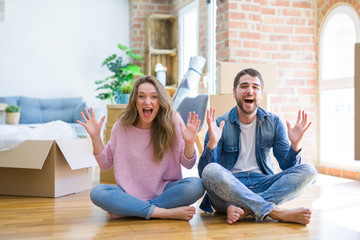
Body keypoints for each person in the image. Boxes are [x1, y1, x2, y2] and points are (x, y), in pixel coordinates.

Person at [198, 68, 317, 225]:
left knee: (309, 171)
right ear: (234, 92)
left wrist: (295, 146)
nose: (250, 90)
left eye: (255, 87)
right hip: (229, 189)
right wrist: (211, 145)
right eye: (244, 86)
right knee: (210, 171)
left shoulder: (273, 122)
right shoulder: (220, 124)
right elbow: (204, 174)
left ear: (261, 94)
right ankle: (276, 212)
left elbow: (286, 166)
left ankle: (246, 209)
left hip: (263, 184)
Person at [78, 75, 205, 221]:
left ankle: (131, 210)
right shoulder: (122, 125)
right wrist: (95, 137)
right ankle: (162, 213)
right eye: (141, 96)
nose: (147, 101)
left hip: (165, 191)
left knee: (197, 185)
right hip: (128, 193)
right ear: (135, 101)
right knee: (98, 192)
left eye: (154, 97)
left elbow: (188, 164)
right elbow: (105, 164)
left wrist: (189, 143)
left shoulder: (173, 121)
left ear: (160, 100)